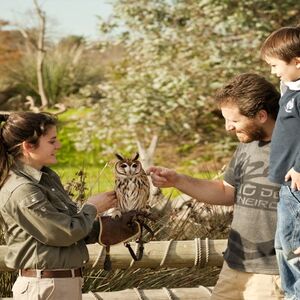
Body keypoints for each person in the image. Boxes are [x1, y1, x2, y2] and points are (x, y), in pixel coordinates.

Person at [148, 73, 284, 300]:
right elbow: (225, 191)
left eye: (234, 120)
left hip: (273, 271)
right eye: (225, 119)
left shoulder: (293, 150)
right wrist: (178, 180)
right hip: (235, 265)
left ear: (261, 115)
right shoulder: (248, 144)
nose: (228, 127)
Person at [0, 111, 119, 300]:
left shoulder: (47, 178)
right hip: (45, 288)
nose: (59, 145)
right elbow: (62, 233)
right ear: (28, 146)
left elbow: (70, 229)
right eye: (52, 141)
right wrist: (92, 207)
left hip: (58, 285)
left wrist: (110, 226)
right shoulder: (22, 189)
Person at [260, 26, 300, 300]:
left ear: (298, 60)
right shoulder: (290, 89)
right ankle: (290, 294)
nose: (274, 72)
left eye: (276, 65)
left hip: (296, 184)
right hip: (286, 186)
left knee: (294, 246)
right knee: (283, 245)